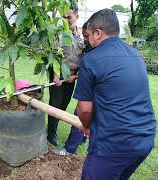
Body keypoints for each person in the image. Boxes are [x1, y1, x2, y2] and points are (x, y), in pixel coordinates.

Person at [74, 9, 156, 180]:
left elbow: (85, 109)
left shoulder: (91, 59)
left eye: (88, 35)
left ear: (98, 33)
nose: (86, 40)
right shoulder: (135, 55)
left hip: (114, 144)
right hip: (145, 139)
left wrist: (87, 127)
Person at [47, 3, 84, 146]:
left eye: (69, 17)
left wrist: (75, 75)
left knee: (64, 104)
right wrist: (56, 75)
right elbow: (54, 55)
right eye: (63, 17)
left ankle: (54, 127)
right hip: (59, 73)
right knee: (55, 104)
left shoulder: (81, 35)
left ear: (77, 16)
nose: (65, 20)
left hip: (72, 75)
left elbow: (81, 56)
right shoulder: (59, 33)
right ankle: (51, 133)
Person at [57, 21, 91, 156]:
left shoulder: (94, 50)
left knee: (81, 114)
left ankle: (70, 149)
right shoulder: (89, 47)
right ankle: (82, 138)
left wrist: (73, 77)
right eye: (84, 36)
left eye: (87, 36)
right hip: (80, 80)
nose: (85, 39)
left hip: (89, 87)